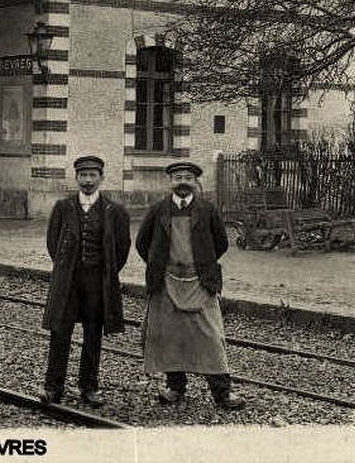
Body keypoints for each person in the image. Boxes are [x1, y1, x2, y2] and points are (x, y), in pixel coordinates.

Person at [135, 161, 246, 411]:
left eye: (188, 177)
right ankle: (175, 387)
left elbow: (221, 244)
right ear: (170, 182)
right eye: (177, 177)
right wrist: (161, 266)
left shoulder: (208, 210)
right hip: (166, 282)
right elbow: (143, 244)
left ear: (195, 182)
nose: (182, 181)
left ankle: (222, 392)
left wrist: (202, 265)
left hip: (200, 283)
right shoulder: (157, 210)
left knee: (211, 338)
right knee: (170, 337)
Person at [39, 155, 131, 407]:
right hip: (68, 282)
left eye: (92, 175)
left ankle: (89, 387)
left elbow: (121, 249)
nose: (88, 180)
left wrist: (104, 272)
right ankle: (53, 386)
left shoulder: (115, 211)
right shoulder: (63, 207)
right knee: (60, 334)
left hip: (96, 284)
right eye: (83, 175)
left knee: (93, 335)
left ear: (101, 178)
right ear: (76, 177)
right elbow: (53, 243)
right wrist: (67, 267)